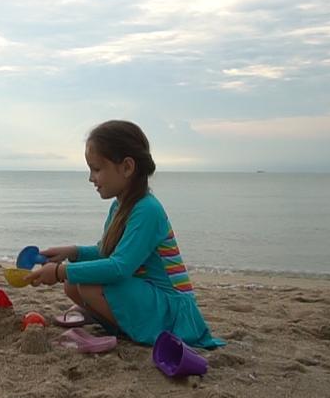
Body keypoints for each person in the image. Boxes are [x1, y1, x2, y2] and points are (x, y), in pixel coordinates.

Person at [27, 120, 224, 348]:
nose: (91, 178)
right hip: (147, 296)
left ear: (127, 168)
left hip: (172, 310)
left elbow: (119, 267)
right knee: (74, 283)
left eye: (97, 169)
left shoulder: (148, 210)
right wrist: (72, 252)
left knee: (87, 285)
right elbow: (104, 252)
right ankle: (114, 322)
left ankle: (126, 330)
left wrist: (60, 271)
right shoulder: (120, 206)